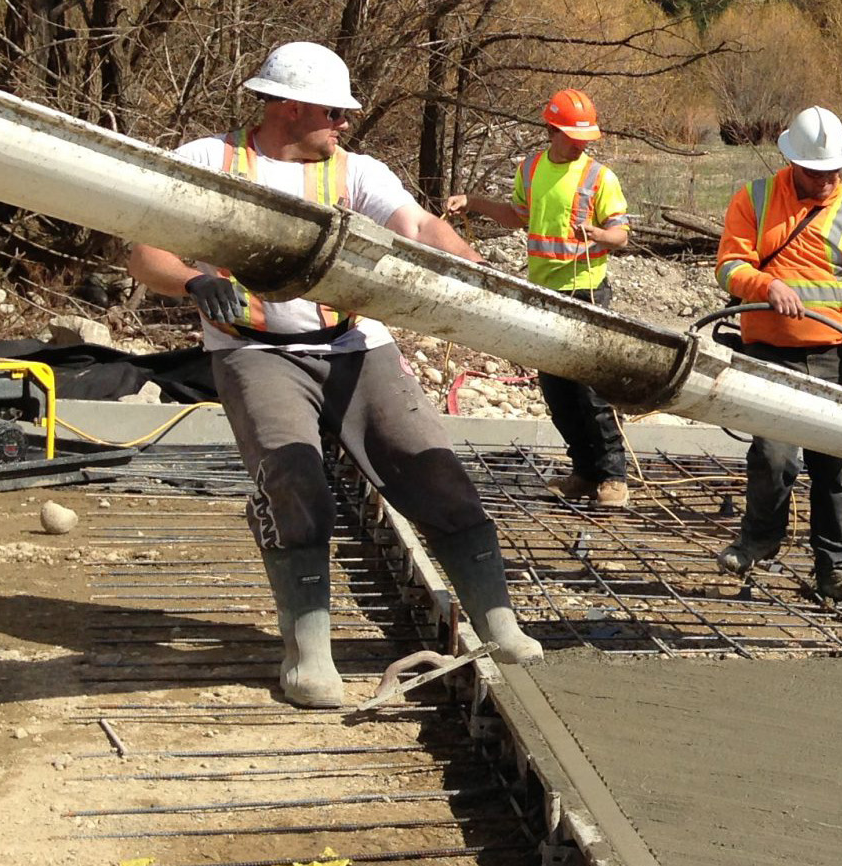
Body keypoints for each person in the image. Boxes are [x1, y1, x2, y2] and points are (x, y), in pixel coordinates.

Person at [124, 41, 544, 709]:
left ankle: (499, 627)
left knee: (432, 469)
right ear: (290, 107)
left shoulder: (355, 172)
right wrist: (192, 281)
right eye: (333, 112)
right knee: (294, 481)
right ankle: (307, 657)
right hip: (255, 350)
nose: (345, 123)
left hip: (353, 343)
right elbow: (145, 249)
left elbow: (419, 226)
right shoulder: (209, 162)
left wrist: (478, 276)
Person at [711, 106, 842, 604]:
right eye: (815, 172)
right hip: (767, 354)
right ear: (792, 162)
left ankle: (839, 570)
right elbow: (728, 266)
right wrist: (765, 285)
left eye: (833, 172)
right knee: (773, 457)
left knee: (833, 469)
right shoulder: (755, 200)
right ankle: (760, 538)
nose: (826, 181)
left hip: (834, 358)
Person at [444, 89, 635, 508]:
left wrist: (601, 235)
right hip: (544, 292)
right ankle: (584, 471)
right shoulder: (531, 169)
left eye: (585, 137)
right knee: (557, 392)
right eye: (573, 136)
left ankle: (613, 476)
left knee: (590, 391)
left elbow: (620, 235)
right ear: (552, 131)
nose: (580, 143)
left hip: (585, 292)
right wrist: (473, 203)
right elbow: (518, 216)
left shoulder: (599, 177)